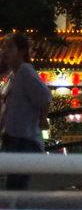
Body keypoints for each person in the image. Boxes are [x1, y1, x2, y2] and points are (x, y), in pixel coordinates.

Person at [0, 34, 52, 190]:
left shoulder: (24, 71)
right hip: (17, 140)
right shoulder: (15, 74)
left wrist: (42, 119)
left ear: (22, 51)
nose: (4, 51)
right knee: (15, 188)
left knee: (16, 189)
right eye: (4, 47)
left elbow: (45, 96)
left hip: (23, 141)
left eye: (10, 47)